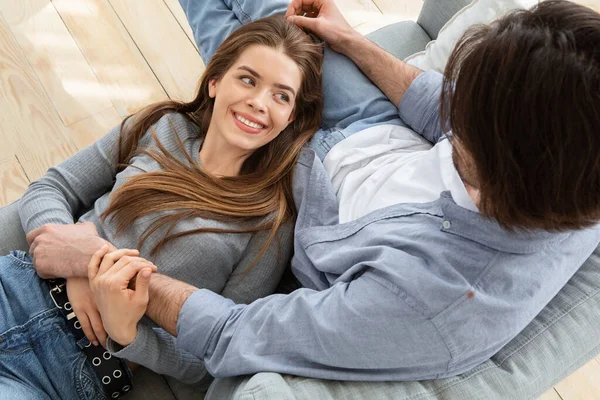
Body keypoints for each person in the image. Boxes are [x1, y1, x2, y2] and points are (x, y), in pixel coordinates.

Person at [84, 0, 600, 385]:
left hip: (306, 182)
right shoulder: (570, 150)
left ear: (503, 165)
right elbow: (443, 111)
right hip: (375, 123)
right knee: (278, 17)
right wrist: (351, 40)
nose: (456, 111)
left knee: (243, 48)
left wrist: (100, 258)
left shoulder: (429, 305)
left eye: (470, 120)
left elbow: (237, 333)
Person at [0, 16, 324, 399]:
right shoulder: (163, 125)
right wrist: (75, 264)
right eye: (248, 79)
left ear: (291, 118)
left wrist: (129, 334)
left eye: (281, 95)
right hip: (15, 289)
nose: (258, 101)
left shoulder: (270, 224)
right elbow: (50, 188)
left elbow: (216, 352)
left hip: (69, 370)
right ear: (216, 81)